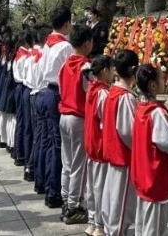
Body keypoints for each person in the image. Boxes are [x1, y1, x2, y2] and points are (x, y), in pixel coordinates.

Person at [131, 65, 168, 236]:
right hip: (155, 176)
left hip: (142, 174)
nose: (165, 81)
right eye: (161, 79)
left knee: (143, 224)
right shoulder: (157, 112)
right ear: (153, 86)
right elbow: (167, 142)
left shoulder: (141, 108)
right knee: (153, 227)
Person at [35, 6, 73, 209]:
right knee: (58, 146)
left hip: (46, 91)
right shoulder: (65, 47)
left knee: (48, 142)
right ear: (66, 23)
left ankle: (45, 184)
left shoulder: (48, 43)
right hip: (57, 93)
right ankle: (54, 192)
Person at [102, 50, 139, 236]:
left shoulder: (112, 92)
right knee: (122, 203)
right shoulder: (125, 97)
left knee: (113, 198)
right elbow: (128, 131)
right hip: (123, 155)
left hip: (112, 151)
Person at [59, 25, 93, 225]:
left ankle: (66, 200)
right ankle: (74, 206)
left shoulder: (65, 64)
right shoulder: (86, 67)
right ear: (87, 43)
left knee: (68, 162)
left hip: (64, 114)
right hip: (78, 117)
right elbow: (90, 93)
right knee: (80, 164)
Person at [84, 54, 114, 236]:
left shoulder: (92, 88)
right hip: (100, 143)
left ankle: (92, 222)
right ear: (104, 71)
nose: (113, 73)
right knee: (101, 187)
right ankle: (100, 226)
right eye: (112, 69)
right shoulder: (103, 92)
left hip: (91, 142)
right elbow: (105, 120)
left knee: (93, 185)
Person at [26, 24, 51, 184]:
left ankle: (32, 167)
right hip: (41, 93)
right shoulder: (43, 55)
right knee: (42, 137)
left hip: (33, 93)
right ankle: (35, 169)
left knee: (38, 135)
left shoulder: (32, 55)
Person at [13, 30, 35, 167]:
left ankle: (19, 153)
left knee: (21, 122)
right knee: (26, 124)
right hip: (24, 87)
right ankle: (25, 156)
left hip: (20, 88)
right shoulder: (25, 57)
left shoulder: (19, 54)